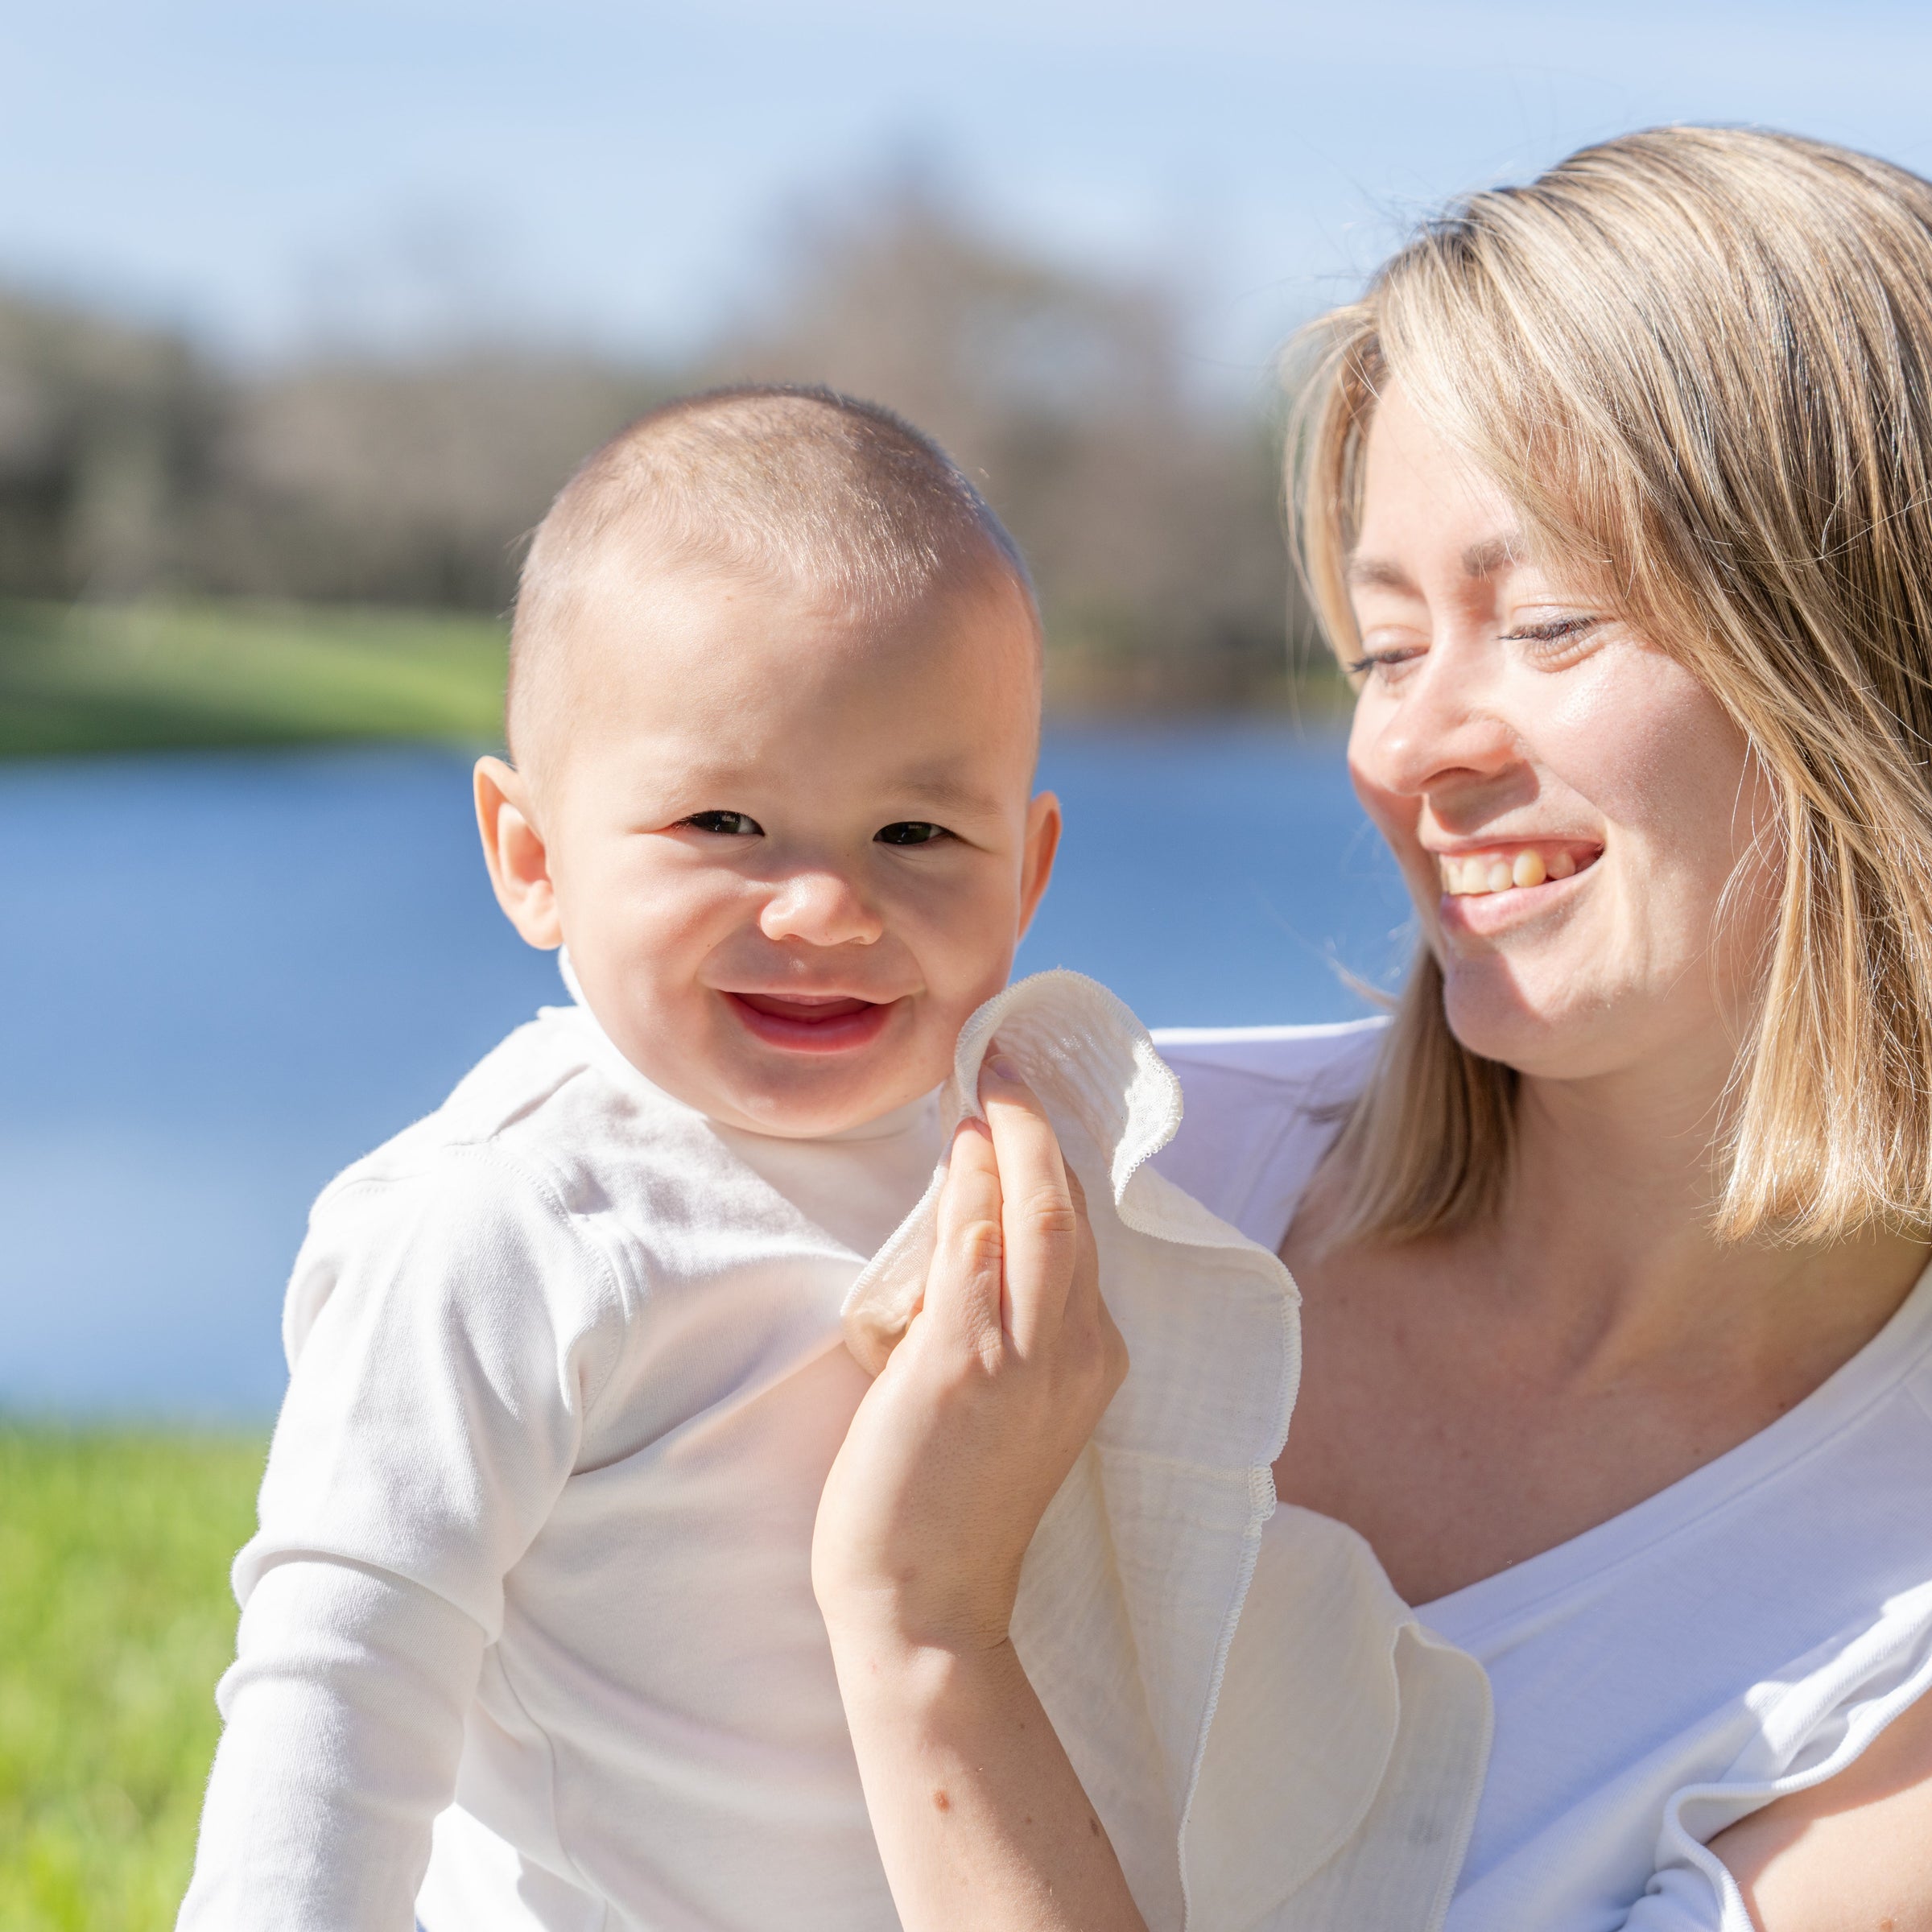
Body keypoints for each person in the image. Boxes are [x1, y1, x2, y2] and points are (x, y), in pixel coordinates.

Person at [811, 127, 1932, 1932]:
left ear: (1871, 662)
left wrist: (927, 1630)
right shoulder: (1105, 1179)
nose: (1409, 754)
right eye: (1384, 649)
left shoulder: (1899, 1651)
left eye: (1548, 622)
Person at [176, 385, 1462, 1931]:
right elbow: (342, 1671)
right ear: (532, 857)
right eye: (726, 823)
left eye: (916, 838)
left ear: (1030, 868)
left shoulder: (1021, 1139)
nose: (826, 913)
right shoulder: (510, 1215)